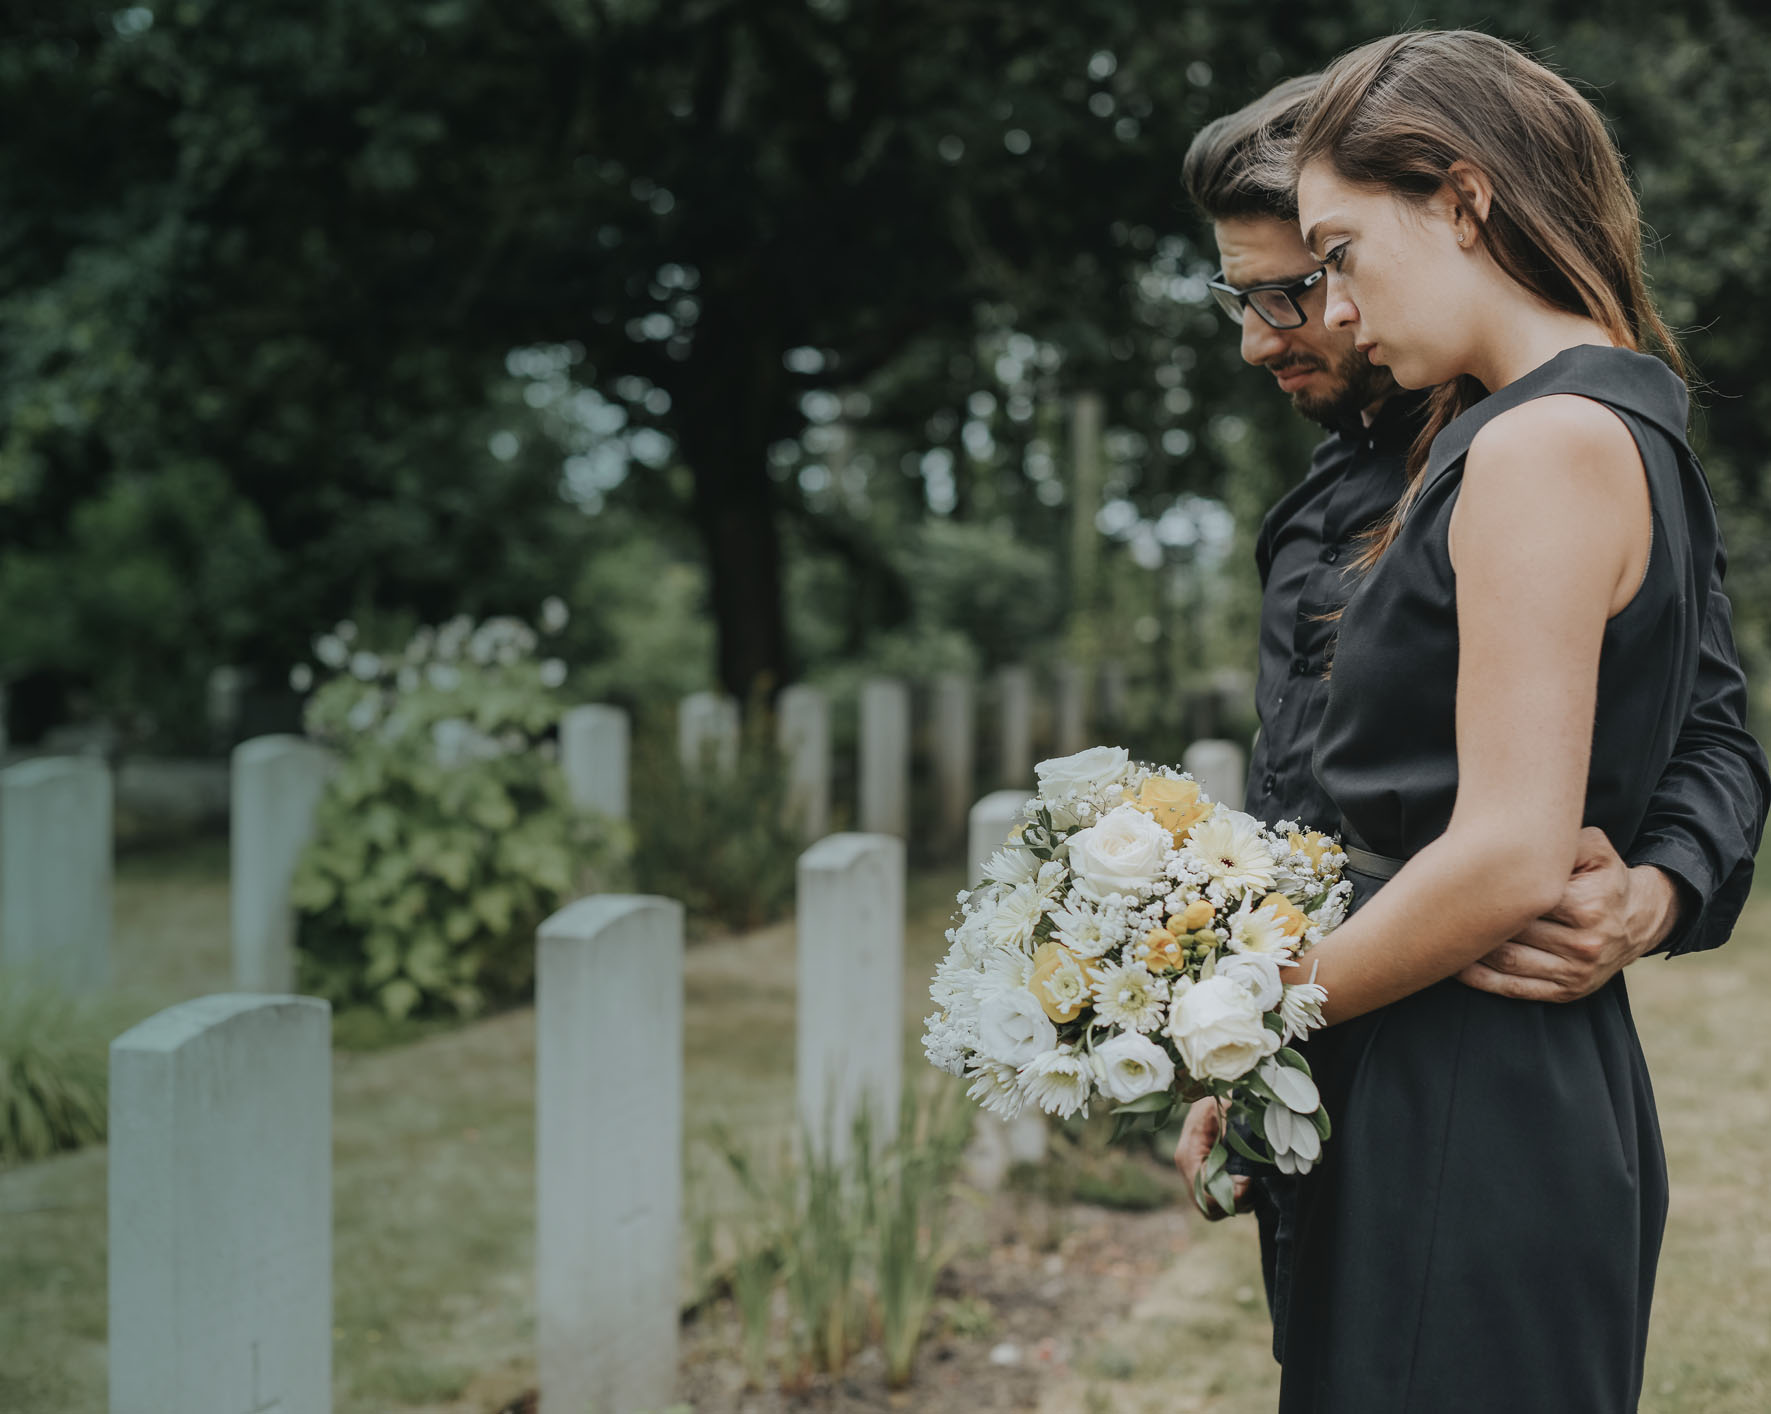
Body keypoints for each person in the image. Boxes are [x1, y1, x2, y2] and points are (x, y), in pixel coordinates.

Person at [1172, 35, 1770, 1409]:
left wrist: (1238, 1019)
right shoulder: (1572, 423)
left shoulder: (1537, 442)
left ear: (1461, 200)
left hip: (1467, 1064)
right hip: (1400, 1049)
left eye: (1331, 259)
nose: (1321, 310)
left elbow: (1509, 847)